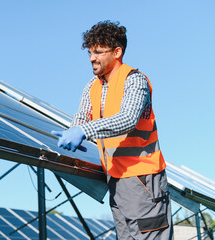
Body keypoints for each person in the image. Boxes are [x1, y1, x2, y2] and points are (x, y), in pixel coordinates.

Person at [52, 20, 173, 239]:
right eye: (90, 52)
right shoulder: (92, 86)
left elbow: (127, 119)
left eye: (98, 52)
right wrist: (75, 129)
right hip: (116, 179)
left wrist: (84, 132)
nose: (91, 58)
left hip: (143, 179)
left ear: (117, 51)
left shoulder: (135, 80)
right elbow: (82, 116)